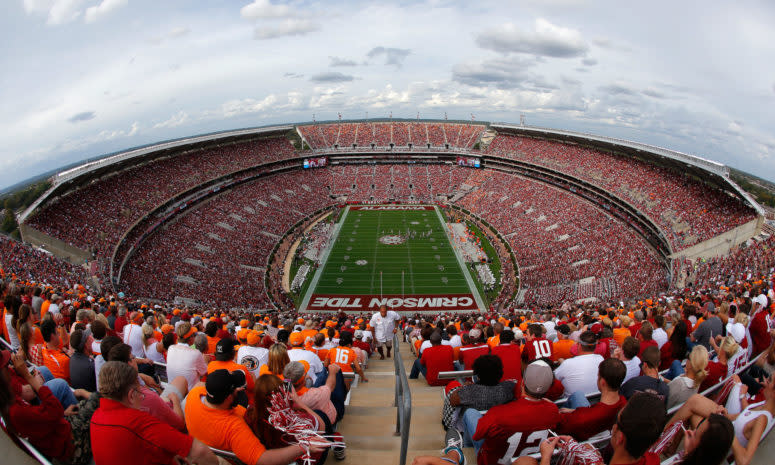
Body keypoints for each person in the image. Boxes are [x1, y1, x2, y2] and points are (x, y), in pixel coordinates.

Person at [90, 361, 218, 465]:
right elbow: (200, 452)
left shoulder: (95, 417)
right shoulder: (138, 422)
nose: (141, 397)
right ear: (130, 396)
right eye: (139, 393)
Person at [1, 350, 99, 465]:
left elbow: (47, 418)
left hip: (60, 428)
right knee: (96, 399)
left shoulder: (11, 401)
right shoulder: (16, 412)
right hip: (69, 445)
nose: (10, 369)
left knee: (82, 405)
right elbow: (54, 410)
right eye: (6, 366)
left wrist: (61, 414)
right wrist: (28, 376)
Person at [462, 360, 560, 465]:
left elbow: (477, 435)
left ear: (522, 382)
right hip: (530, 459)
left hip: (493, 461)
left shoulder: (498, 413)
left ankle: (465, 450)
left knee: (470, 413)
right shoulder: (553, 410)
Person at [246, 374, 331, 464]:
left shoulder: (249, 415)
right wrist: (297, 401)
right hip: (303, 460)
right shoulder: (297, 418)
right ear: (282, 392)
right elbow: (321, 428)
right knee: (321, 416)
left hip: (273, 455)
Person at [556, 357, 628, 441]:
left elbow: (559, 426)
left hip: (578, 438)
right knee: (577, 394)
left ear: (602, 382)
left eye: (598, 376)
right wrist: (574, 411)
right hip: (594, 426)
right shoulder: (625, 404)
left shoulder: (581, 419)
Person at [284, 360, 346, 427]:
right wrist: (332, 371)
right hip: (328, 418)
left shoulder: (282, 391)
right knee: (336, 373)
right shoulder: (315, 394)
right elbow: (330, 386)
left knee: (322, 377)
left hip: (309, 408)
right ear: (303, 378)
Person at [447, 354, 516, 412]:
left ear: (477, 374)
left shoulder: (468, 391)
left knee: (453, 384)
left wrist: (463, 387)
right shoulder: (509, 387)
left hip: (473, 423)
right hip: (498, 422)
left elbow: (452, 401)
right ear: (500, 373)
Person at [554, 331, 604, 397]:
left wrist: (563, 363)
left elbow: (555, 377)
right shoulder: (601, 359)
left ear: (579, 345)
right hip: (596, 399)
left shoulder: (568, 363)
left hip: (572, 404)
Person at [166, 322, 207, 390]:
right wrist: (206, 361)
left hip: (172, 389)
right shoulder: (196, 353)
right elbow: (204, 372)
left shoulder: (170, 348)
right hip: (189, 393)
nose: (195, 336)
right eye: (194, 335)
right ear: (190, 338)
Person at [667, 345, 708, 409]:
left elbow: (666, 403)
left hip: (669, 412)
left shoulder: (679, 384)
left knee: (676, 363)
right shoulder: (698, 380)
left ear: (691, 364)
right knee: (676, 363)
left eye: (688, 357)